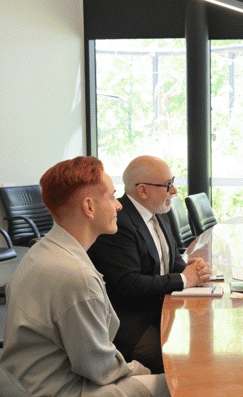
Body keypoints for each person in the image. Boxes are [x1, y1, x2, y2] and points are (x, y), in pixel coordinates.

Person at [0, 156, 185, 397]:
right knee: (187, 390)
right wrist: (144, 371)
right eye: (111, 197)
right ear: (89, 207)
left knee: (177, 392)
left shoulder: (42, 253)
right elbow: (101, 369)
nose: (119, 206)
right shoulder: (74, 275)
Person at [88, 155, 211, 374]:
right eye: (168, 185)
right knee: (182, 359)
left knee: (205, 338)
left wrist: (192, 269)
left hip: (160, 307)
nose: (174, 191)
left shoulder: (159, 212)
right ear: (143, 191)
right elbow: (128, 285)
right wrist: (184, 279)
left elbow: (171, 260)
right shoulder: (118, 222)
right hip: (133, 322)